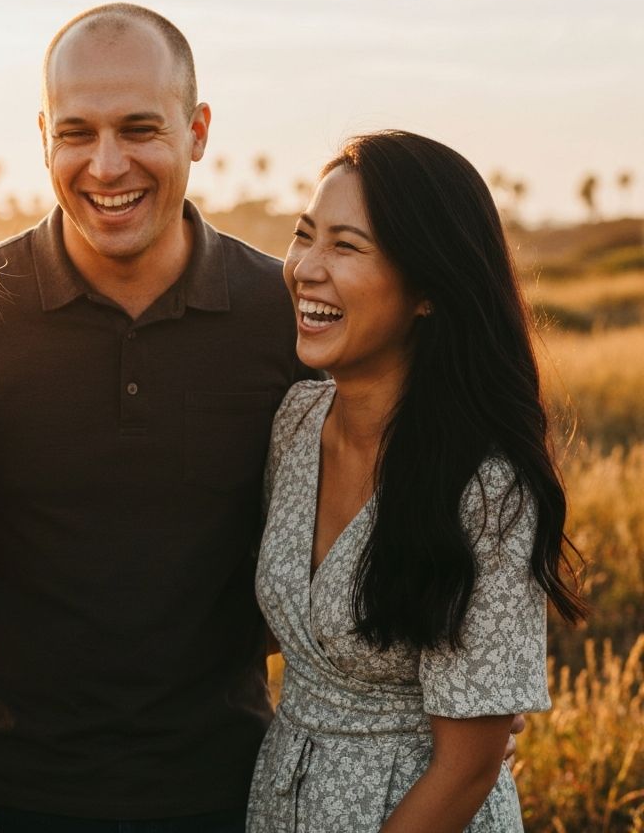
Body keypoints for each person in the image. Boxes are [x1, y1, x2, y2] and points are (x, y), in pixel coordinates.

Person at [0, 11, 524, 830]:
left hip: (232, 791)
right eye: (77, 132)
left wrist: (445, 705)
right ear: (45, 135)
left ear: (196, 131)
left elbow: (383, 502)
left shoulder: (288, 320)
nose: (107, 163)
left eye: (140, 128)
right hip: (0, 790)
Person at [247, 131, 586, 831]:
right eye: (304, 236)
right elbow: (302, 628)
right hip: (284, 800)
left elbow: (467, 766)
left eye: (345, 246)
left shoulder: (486, 488)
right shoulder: (296, 422)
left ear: (428, 289)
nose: (307, 267)